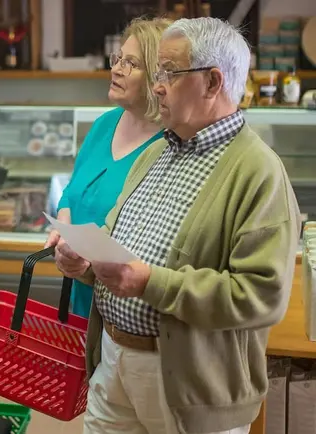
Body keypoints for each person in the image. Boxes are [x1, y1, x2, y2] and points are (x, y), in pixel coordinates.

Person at [54, 17, 300, 433]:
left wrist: (150, 282)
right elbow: (117, 246)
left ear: (212, 82)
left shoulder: (257, 171)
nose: (156, 85)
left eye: (170, 72)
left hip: (189, 383)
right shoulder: (157, 153)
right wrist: (86, 263)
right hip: (113, 361)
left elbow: (261, 296)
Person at [45, 17, 170, 318]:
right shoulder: (104, 124)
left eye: (132, 64)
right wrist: (64, 233)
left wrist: (89, 260)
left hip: (129, 310)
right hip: (83, 301)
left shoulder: (169, 144)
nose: (115, 69)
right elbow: (72, 193)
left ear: (159, 77)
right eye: (118, 59)